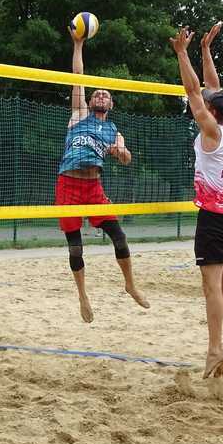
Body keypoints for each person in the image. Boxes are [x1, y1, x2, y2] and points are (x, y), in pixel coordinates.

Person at [55, 27, 149, 323]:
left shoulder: (112, 130)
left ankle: (130, 284)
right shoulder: (79, 115)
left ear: (111, 105)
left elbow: (126, 156)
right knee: (75, 246)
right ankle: (83, 296)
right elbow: (78, 78)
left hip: (93, 187)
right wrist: (78, 45)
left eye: (105, 95)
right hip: (68, 184)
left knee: (119, 237)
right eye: (97, 93)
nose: (100, 95)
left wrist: (121, 153)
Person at [170, 22, 223, 379]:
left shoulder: (211, 129)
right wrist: (205, 51)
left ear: (213, 112)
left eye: (207, 105)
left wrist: (182, 53)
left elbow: (195, 88)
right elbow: (211, 88)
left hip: (213, 218)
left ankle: (215, 350)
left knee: (211, 286)